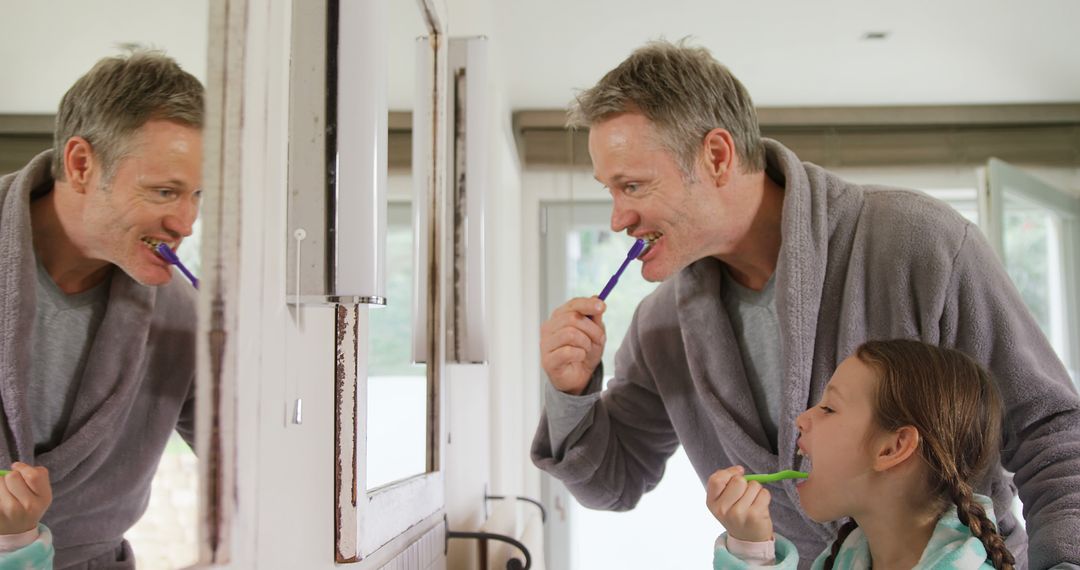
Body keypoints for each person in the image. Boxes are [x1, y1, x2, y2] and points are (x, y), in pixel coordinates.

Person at [530, 40, 1080, 569]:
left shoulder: (920, 242)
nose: (617, 218)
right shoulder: (661, 326)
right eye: (610, 190)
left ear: (717, 156)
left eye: (633, 185)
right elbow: (612, 482)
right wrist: (573, 393)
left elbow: (1052, 432)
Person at [0, 51, 203, 568]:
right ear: (82, 164)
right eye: (165, 191)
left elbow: (262, 461)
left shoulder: (185, 318)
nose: (186, 223)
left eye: (196, 195)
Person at [708, 339, 1014, 569]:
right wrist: (752, 548)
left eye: (829, 408)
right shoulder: (844, 559)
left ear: (892, 448)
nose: (801, 419)